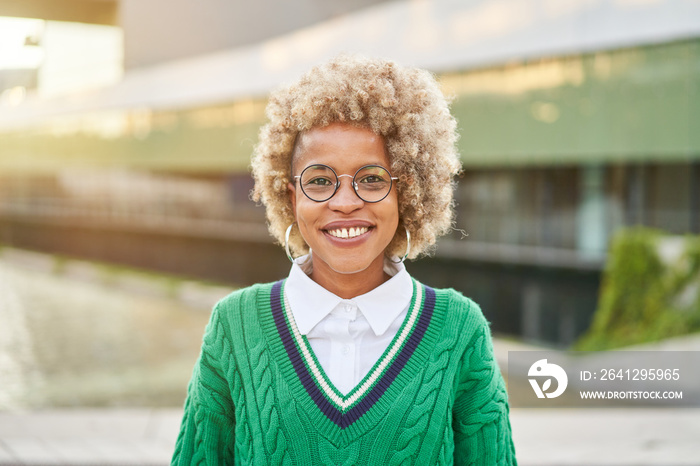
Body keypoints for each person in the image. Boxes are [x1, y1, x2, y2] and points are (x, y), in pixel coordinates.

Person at [172, 55, 517, 465]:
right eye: (320, 181)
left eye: (371, 179)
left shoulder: (460, 330)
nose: (346, 203)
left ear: (406, 191)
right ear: (290, 195)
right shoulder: (235, 325)